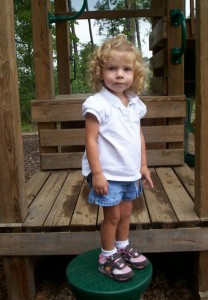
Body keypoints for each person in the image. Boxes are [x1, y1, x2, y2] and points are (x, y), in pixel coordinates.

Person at [82, 34, 153, 281]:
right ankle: (106, 257)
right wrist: (97, 173)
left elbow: (138, 135)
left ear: (135, 74)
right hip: (108, 173)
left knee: (125, 214)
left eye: (126, 69)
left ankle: (122, 247)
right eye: (112, 68)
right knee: (111, 216)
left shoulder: (134, 103)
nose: (120, 74)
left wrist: (143, 164)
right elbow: (90, 140)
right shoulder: (98, 103)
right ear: (100, 72)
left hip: (129, 171)